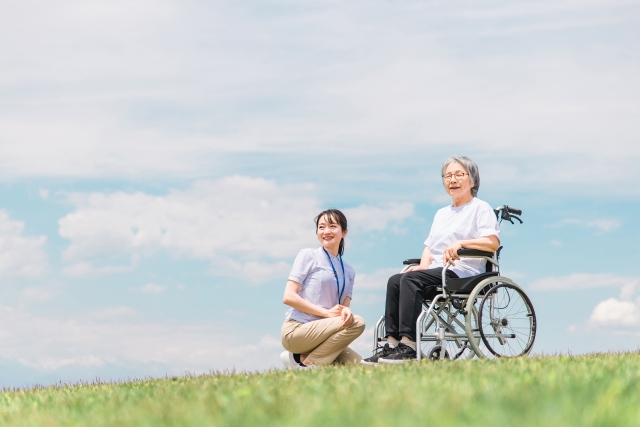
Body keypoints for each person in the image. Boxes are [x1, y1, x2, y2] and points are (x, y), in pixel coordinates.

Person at [363, 155, 500, 364]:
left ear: (472, 181)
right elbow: (430, 246)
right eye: (448, 176)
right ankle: (391, 344)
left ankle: (409, 345)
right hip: (438, 271)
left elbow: (492, 243)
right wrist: (422, 266)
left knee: (410, 280)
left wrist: (462, 244)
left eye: (458, 175)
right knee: (396, 280)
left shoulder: (480, 208)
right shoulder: (441, 214)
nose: (452, 180)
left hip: (464, 271)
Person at [280, 209, 365, 369]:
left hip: (327, 335)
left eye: (332, 226)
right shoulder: (308, 255)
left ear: (344, 232)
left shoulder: (349, 270)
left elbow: (343, 312)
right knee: (358, 322)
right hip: (297, 329)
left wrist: (345, 312)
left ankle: (298, 359)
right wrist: (325, 313)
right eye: (321, 227)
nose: (326, 231)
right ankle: (309, 364)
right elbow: (288, 297)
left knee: (361, 367)